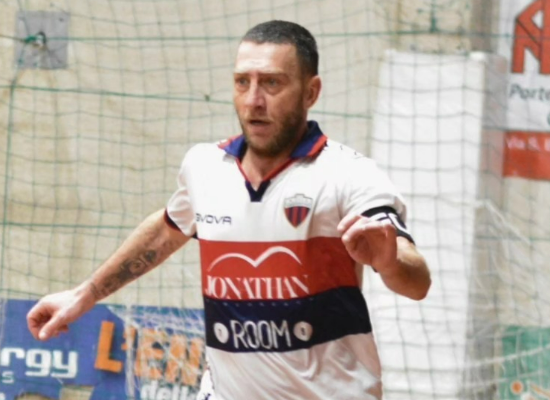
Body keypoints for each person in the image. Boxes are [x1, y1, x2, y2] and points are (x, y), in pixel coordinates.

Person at [27, 20, 431, 400]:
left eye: (272, 83)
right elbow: (167, 229)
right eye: (242, 82)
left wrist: (390, 262)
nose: (254, 100)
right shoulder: (205, 166)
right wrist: (85, 294)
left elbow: (417, 282)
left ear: (311, 92)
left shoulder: (349, 174)